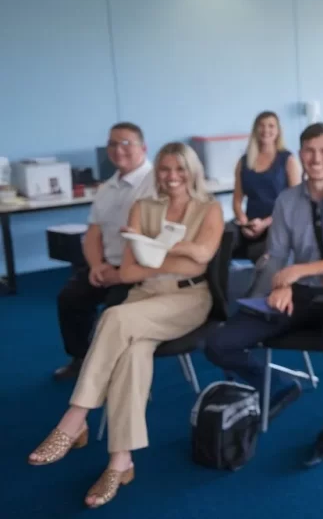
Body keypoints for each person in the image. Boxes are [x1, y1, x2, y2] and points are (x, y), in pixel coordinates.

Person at [28, 142, 224, 508]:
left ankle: (75, 418)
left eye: (180, 169)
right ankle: (121, 461)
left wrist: (153, 246)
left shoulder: (209, 208)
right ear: (157, 172)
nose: (172, 176)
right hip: (143, 295)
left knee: (113, 316)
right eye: (165, 169)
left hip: (187, 300)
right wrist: (176, 250)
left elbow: (201, 258)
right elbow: (130, 272)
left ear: (192, 171)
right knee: (133, 354)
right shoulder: (142, 206)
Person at [205, 123, 323, 468]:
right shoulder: (287, 201)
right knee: (219, 343)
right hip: (299, 295)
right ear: (300, 154)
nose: (316, 158)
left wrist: (298, 272)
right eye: (309, 151)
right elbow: (277, 256)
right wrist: (281, 284)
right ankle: (279, 385)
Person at [53, 122, 156, 380]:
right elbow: (93, 233)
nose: (118, 150)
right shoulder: (107, 187)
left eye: (126, 143)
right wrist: (96, 265)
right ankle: (81, 359)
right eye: (112, 144)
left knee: (113, 314)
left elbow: (152, 239)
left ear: (143, 147)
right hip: (107, 264)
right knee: (70, 298)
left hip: (143, 270)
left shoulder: (156, 183)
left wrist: (121, 273)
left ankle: (117, 373)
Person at [231, 111, 302, 262]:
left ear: (278, 131)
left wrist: (264, 224)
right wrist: (244, 222)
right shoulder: (244, 162)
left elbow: (295, 203)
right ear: (255, 130)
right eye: (261, 126)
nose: (266, 130)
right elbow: (237, 200)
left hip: (278, 223)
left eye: (271, 126)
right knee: (225, 238)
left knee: (259, 251)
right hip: (250, 224)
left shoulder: (288, 160)